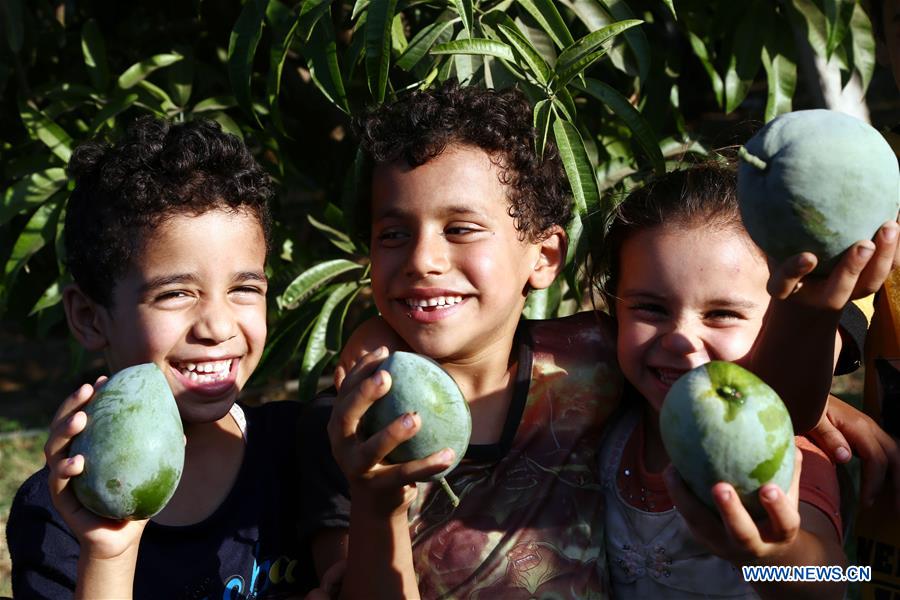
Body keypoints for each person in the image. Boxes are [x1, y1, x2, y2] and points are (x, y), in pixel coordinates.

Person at [299, 80, 625, 598]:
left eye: (461, 229)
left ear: (543, 258)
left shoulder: (593, 360)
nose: (422, 260)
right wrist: (376, 502)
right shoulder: (350, 426)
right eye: (394, 234)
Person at [6, 116, 316, 599]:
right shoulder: (60, 513)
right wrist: (107, 554)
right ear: (89, 318)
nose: (217, 327)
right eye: (175, 294)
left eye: (244, 288)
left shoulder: (302, 451)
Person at [593, 162, 889, 598]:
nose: (680, 338)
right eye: (651, 309)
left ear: (774, 327)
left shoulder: (785, 452)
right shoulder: (599, 412)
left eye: (722, 314)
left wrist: (774, 556)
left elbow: (833, 580)